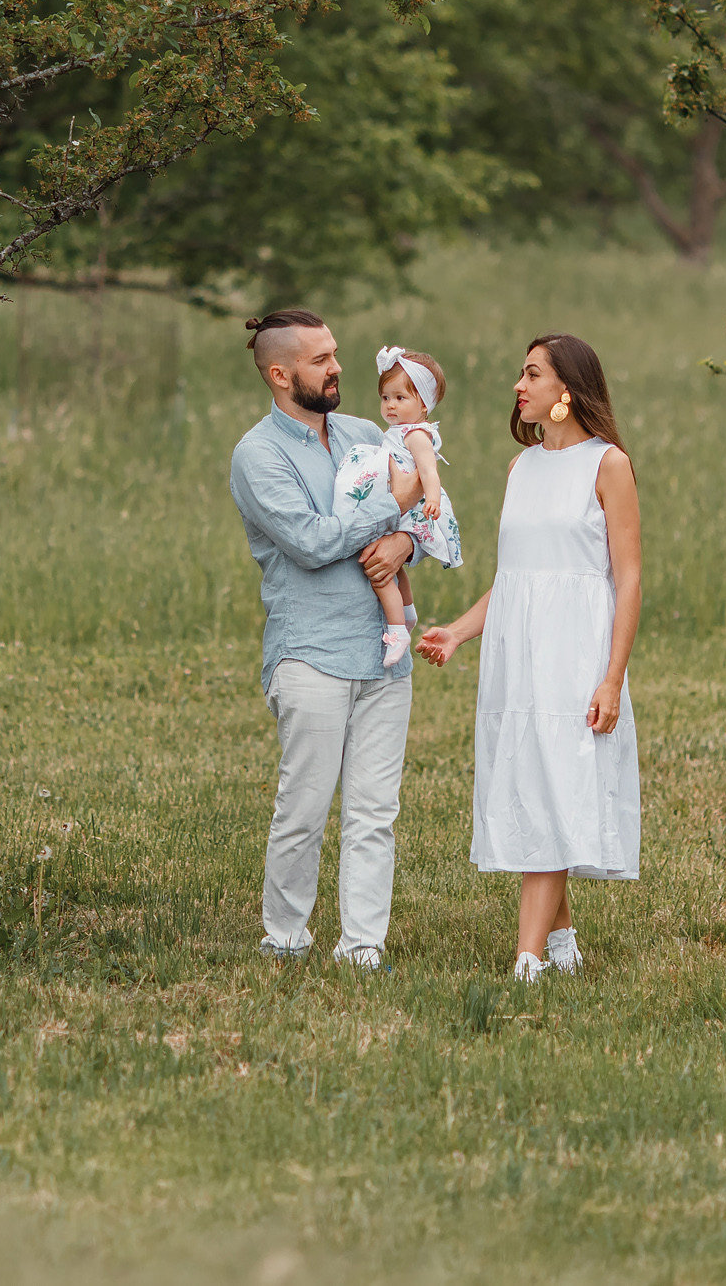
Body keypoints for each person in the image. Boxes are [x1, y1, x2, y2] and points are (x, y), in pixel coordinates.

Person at [419, 333, 643, 982]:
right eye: (522, 374)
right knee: (534, 786)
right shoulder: (521, 469)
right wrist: (458, 632)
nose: (519, 385)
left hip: (575, 654)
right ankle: (563, 940)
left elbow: (628, 578)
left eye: (532, 374)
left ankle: (528, 959)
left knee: (554, 788)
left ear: (566, 389)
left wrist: (611, 677)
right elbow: (516, 579)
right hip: (518, 658)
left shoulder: (609, 465)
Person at [228, 309, 432, 969]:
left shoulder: (366, 433)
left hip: (383, 652)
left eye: (335, 353)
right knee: (304, 808)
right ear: (280, 374)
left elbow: (418, 521)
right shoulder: (259, 455)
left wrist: (405, 543)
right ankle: (285, 939)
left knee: (375, 812)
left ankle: (362, 947)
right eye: (320, 360)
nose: (337, 367)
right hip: (310, 652)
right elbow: (312, 543)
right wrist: (394, 509)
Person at [329, 346, 461, 667]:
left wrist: (432, 498)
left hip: (410, 508)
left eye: (400, 398)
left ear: (424, 404)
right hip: (398, 503)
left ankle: (397, 630)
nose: (390, 405)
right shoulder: (401, 431)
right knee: (394, 565)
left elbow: (429, 471)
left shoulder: (416, 435)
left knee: (377, 570)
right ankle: (407, 612)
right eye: (386, 397)